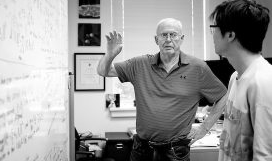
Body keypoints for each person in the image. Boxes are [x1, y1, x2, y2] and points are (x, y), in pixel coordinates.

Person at [97, 18, 227, 161]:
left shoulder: (198, 68)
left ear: (182, 38)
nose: (168, 39)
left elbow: (223, 96)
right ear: (156, 39)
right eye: (164, 35)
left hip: (176, 150)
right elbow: (104, 71)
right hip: (142, 149)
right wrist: (110, 54)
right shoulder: (139, 64)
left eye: (173, 35)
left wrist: (204, 128)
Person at [209, 0, 272, 161]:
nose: (212, 34)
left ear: (230, 35)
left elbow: (264, 156)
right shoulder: (235, 77)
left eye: (214, 28)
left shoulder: (263, 82)